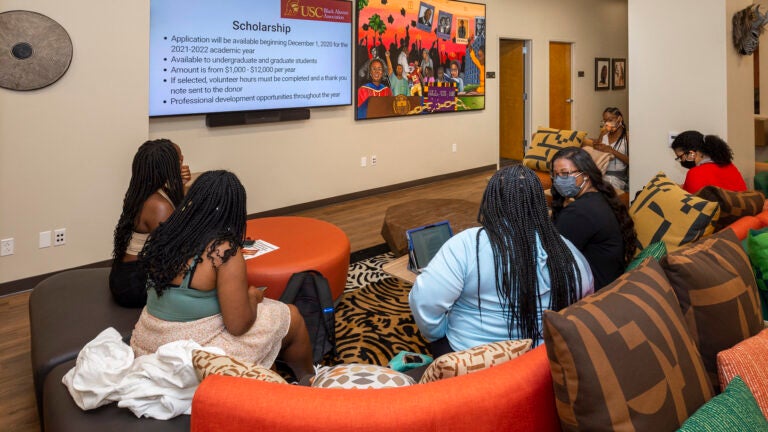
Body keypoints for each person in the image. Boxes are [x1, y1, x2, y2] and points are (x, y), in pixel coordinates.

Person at [130, 170, 314, 380]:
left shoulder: (164, 234)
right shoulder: (222, 251)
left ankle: (270, 370)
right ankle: (308, 380)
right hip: (192, 354)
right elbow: (237, 326)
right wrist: (253, 296)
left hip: (149, 341)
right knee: (290, 315)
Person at [409, 165, 594, 355]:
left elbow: (424, 302)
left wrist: (440, 332)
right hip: (538, 362)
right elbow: (583, 300)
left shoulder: (467, 244)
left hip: (470, 360)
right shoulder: (565, 250)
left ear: (491, 202)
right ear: (539, 203)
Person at [110, 139, 190, 308]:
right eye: (179, 160)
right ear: (166, 167)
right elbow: (176, 249)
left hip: (123, 273)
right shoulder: (158, 206)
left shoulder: (140, 191)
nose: (183, 162)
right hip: (135, 285)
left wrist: (178, 185)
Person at [550, 147, 637, 290]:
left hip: (592, 291)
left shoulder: (580, 212)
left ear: (585, 175)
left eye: (565, 174)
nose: (559, 180)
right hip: (608, 279)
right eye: (556, 175)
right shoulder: (602, 197)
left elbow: (552, 257)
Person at [671, 130, 747, 194]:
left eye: (680, 157)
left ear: (691, 154)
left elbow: (691, 203)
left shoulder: (695, 173)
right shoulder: (730, 166)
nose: (681, 161)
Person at [586, 107, 629, 191]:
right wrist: (596, 148)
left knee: (604, 189)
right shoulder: (604, 134)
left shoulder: (627, 138)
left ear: (619, 118)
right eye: (605, 121)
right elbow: (598, 153)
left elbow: (632, 162)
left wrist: (612, 151)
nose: (607, 123)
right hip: (601, 173)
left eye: (610, 120)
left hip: (617, 178)